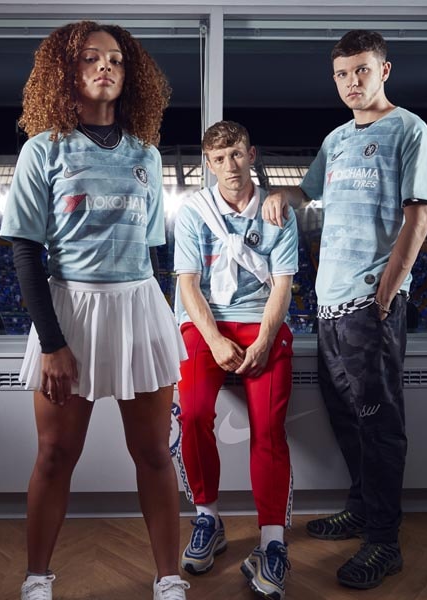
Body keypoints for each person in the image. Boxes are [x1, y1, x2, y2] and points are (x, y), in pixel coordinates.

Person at [0, 20, 190, 600]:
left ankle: (169, 577)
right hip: (69, 310)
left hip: (138, 307)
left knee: (153, 454)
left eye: (116, 60)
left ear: (130, 76)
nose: (105, 66)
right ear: (67, 72)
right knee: (56, 455)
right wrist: (53, 342)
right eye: (90, 58)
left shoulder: (147, 154)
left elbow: (148, 251)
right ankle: (37, 578)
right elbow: (26, 252)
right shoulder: (42, 149)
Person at [262, 30, 427, 590]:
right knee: (345, 417)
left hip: (370, 305)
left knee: (380, 425)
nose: (351, 82)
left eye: (362, 70)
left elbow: (418, 218)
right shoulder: (336, 139)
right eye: (341, 73)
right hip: (329, 304)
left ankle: (384, 541)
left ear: (384, 70)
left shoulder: (409, 129)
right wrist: (281, 195)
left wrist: (385, 293)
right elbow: (306, 193)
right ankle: (361, 509)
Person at [173, 120, 298, 600]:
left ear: (252, 155)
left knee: (269, 428)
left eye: (237, 155)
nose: (230, 166)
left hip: (260, 321)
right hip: (205, 322)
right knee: (193, 414)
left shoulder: (276, 210)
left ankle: (272, 542)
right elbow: (188, 284)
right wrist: (215, 340)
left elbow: (282, 286)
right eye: (220, 159)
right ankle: (207, 517)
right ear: (208, 164)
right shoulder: (192, 211)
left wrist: (264, 342)